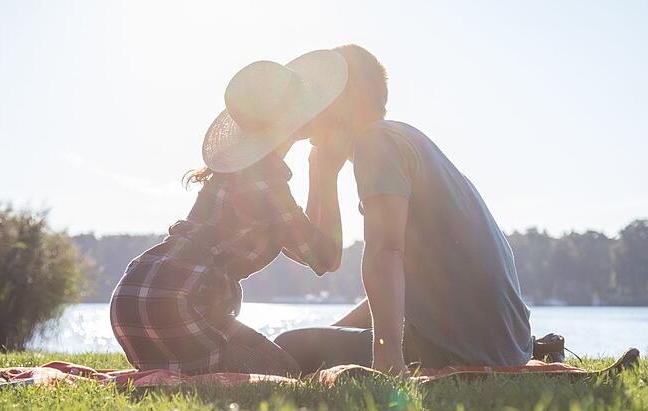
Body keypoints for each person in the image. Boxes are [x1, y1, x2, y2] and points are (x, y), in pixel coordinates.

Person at [275, 45, 534, 375]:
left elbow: (385, 252)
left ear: (339, 102)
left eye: (315, 97)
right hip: (505, 345)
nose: (307, 114)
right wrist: (321, 173)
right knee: (305, 343)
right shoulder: (399, 138)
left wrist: (387, 358)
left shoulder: (376, 144)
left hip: (463, 347)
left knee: (288, 347)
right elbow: (339, 262)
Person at [110, 50, 348, 376]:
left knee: (278, 366)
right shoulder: (266, 180)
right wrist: (325, 174)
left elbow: (302, 243)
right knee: (285, 376)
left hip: (135, 294)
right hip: (177, 303)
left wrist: (315, 169)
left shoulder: (241, 174)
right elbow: (326, 257)